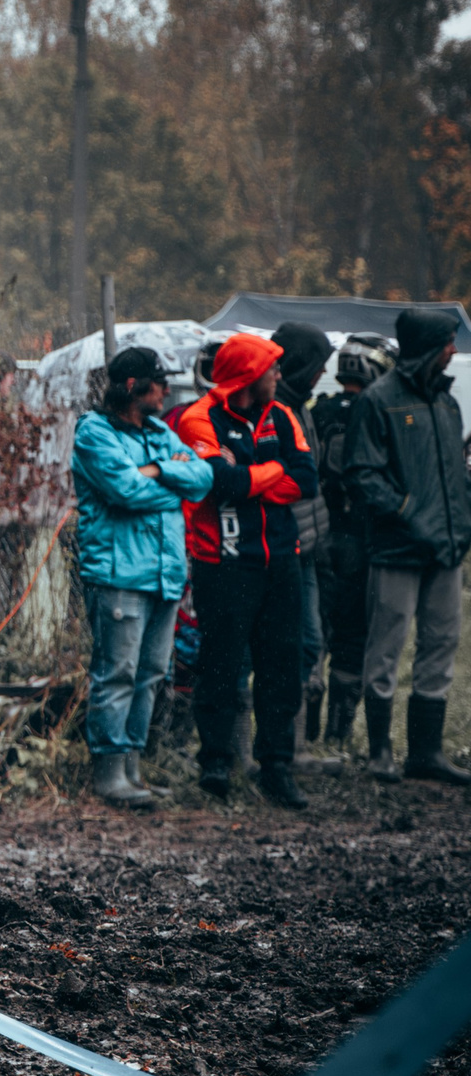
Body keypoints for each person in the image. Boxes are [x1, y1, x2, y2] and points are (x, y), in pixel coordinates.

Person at [174, 332, 319, 807]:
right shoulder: (200, 418)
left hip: (281, 560)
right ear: (249, 376)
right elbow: (219, 484)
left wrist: (253, 476)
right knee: (220, 663)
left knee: (282, 664)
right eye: (271, 369)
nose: (279, 375)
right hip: (223, 563)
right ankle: (216, 762)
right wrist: (271, 471)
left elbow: (307, 479)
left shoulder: (283, 415)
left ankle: (276, 766)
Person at [70, 346, 213, 807]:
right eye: (159, 382)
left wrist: (158, 471)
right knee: (117, 673)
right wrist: (173, 486)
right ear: (133, 387)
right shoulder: (94, 433)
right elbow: (124, 491)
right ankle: (109, 773)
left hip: (164, 575)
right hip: (119, 574)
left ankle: (133, 770)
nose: (167, 390)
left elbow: (205, 477)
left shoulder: (158, 432)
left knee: (151, 673)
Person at [341, 307, 471, 785]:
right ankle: (379, 752)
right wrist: (410, 513)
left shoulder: (447, 403)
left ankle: (427, 753)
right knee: (386, 648)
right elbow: (362, 474)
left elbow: (455, 470)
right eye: (447, 343)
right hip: (398, 549)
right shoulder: (377, 401)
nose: (453, 351)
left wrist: (463, 518)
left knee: (441, 645)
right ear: (428, 348)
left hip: (447, 550)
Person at [312, 336, 392, 748]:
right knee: (352, 638)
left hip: (319, 536)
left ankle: (305, 734)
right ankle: (337, 738)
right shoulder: (378, 413)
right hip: (361, 539)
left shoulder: (318, 411)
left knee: (316, 635)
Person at [270, 322, 336, 749]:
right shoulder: (275, 411)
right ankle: (281, 744)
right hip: (284, 547)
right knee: (292, 644)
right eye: (315, 365)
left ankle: (292, 745)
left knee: (310, 643)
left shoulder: (301, 407)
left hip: (309, 547)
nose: (319, 374)